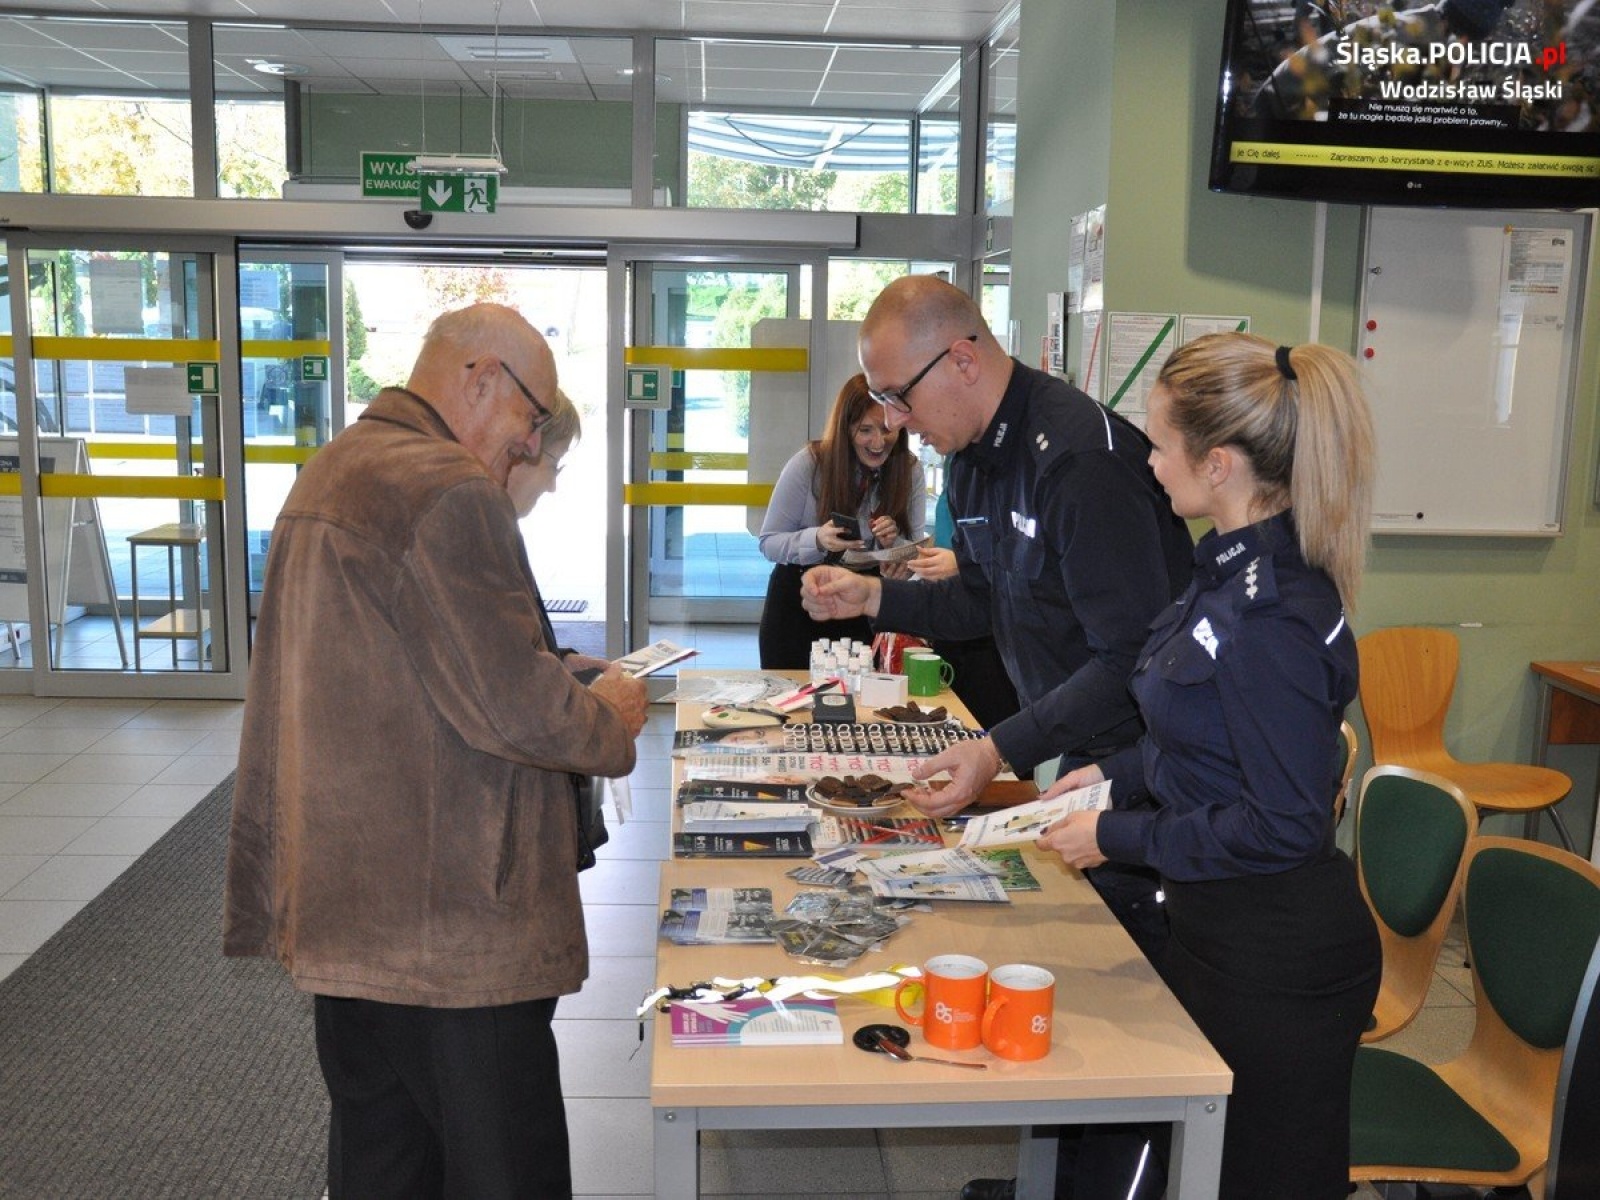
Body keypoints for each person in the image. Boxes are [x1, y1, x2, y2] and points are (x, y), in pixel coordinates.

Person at [223, 303, 649, 1199]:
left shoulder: (333, 468)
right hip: (453, 940)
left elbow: (398, 671)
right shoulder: (446, 488)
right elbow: (518, 710)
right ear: (482, 378)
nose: (530, 449)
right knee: (504, 1173)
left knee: (383, 1168)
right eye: (532, 421)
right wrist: (607, 712)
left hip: (350, 918)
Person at [1037, 333, 1382, 1199]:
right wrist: (1114, 776)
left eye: (1159, 444)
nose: (1150, 464)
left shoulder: (1274, 618)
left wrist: (1118, 833)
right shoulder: (1225, 573)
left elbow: (1283, 823)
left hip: (1275, 956)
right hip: (1212, 921)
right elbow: (1199, 736)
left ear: (1219, 464)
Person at [801, 275, 1193, 961]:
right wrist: (874, 599)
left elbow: (1129, 658)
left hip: (1148, 767)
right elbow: (981, 598)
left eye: (898, 396)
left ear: (961, 361)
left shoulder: (1078, 462)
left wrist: (996, 749)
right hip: (1076, 746)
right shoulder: (970, 461)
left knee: (1136, 981)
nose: (894, 421)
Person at [758, 372, 925, 669]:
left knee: (863, 706)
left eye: (887, 430)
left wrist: (896, 547)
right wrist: (816, 540)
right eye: (865, 430)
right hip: (802, 602)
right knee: (792, 704)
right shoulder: (810, 463)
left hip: (865, 604)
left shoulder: (909, 470)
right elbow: (769, 542)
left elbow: (913, 552)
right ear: (845, 429)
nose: (878, 442)